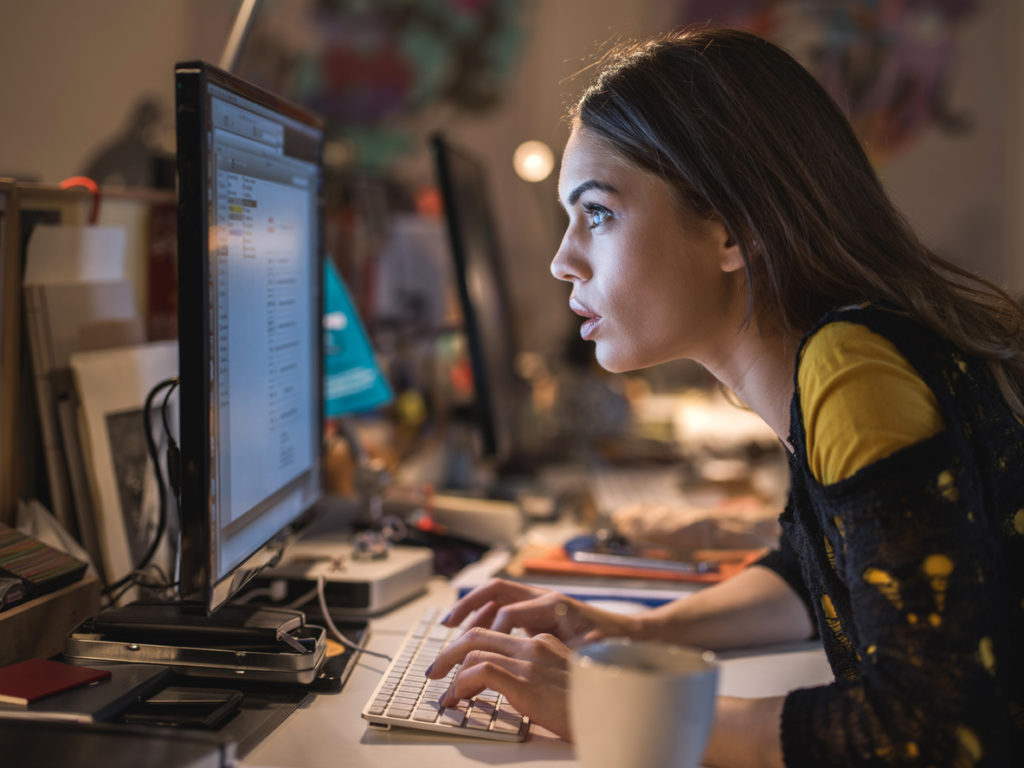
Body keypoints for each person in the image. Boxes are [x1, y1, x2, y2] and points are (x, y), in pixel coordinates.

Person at [423, 27, 1024, 767]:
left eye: (599, 214)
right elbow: (822, 574)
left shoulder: (853, 370)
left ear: (732, 231)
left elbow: (929, 733)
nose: (561, 259)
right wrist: (630, 636)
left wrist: (604, 703)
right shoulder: (833, 354)